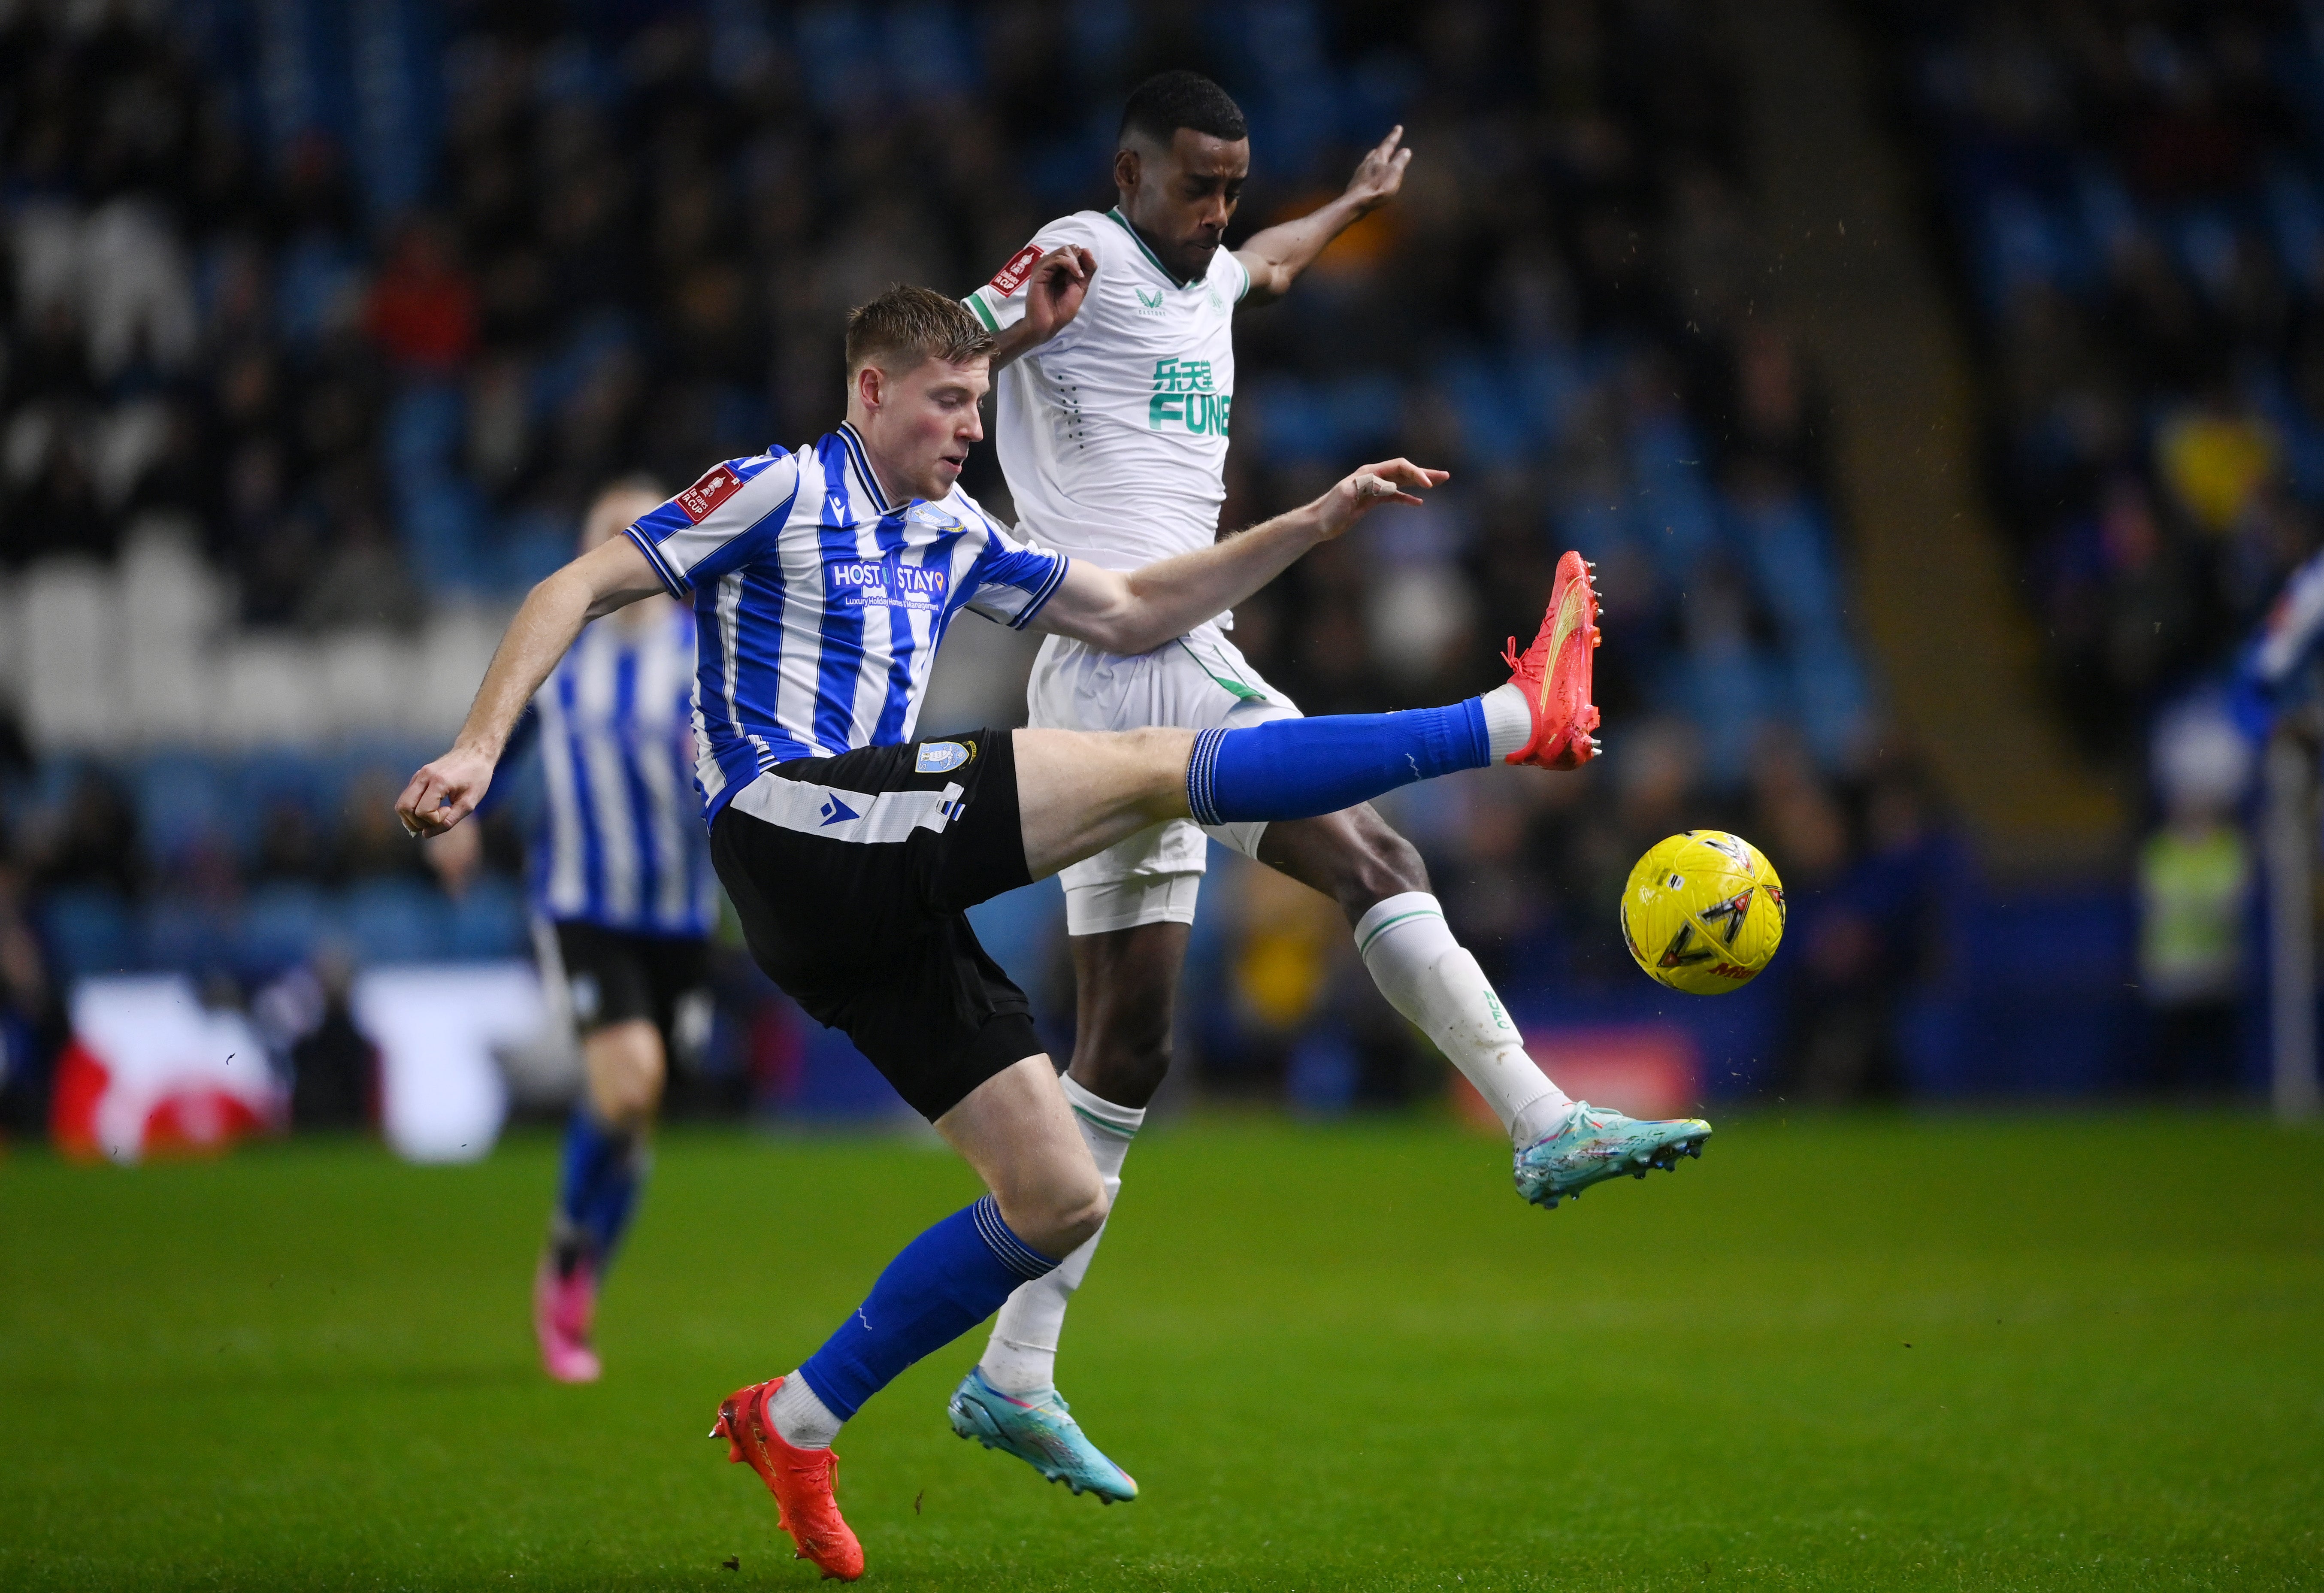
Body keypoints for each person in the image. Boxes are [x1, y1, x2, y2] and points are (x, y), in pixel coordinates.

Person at [396, 285, 1707, 1579]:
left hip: (867, 889)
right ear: (872, 392)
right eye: (950, 399)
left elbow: (1136, 611)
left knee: (1058, 1196)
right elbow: (573, 586)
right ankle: (1504, 722)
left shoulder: (956, 530)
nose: (972, 424)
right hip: (793, 825)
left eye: (981, 399)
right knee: (1147, 763)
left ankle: (796, 1418)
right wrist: (477, 745)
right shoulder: (777, 488)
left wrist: (1310, 521)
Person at [953, 70, 1652, 1498]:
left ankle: (1013, 1372)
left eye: (1232, 184)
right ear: (1127, 169)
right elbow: (937, 348)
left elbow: (1261, 265)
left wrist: (1346, 205)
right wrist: (987, 386)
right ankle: (1538, 1119)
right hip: (1137, 644)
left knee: (1128, 1045)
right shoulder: (1073, 252)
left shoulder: (1211, 269)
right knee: (1376, 861)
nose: (1216, 212)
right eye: (1193, 184)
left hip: (1106, 681)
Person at [428, 479, 720, 1384]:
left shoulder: (704, 654)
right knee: (630, 1082)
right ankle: (564, 1250)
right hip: (584, 905)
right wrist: (466, 816)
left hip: (679, 913)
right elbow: (502, 746)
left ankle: (580, 1276)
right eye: (608, 532)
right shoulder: (563, 656)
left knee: (636, 1114)